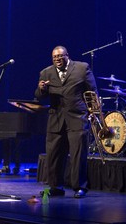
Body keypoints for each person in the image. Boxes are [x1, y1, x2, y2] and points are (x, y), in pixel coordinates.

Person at [35, 45, 98, 198]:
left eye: (60, 56)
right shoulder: (46, 72)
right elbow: (38, 96)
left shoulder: (82, 68)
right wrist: (41, 88)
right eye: (54, 57)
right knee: (54, 155)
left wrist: (93, 113)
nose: (57, 59)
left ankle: (79, 187)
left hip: (77, 117)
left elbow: (92, 92)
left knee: (77, 154)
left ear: (67, 56)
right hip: (55, 119)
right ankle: (56, 187)